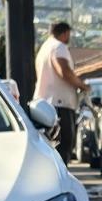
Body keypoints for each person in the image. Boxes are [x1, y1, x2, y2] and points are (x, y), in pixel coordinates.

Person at [33, 20, 86, 163]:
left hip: (44, 104)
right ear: (64, 33)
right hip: (59, 105)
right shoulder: (59, 47)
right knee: (64, 146)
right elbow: (64, 71)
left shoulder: (44, 48)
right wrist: (81, 85)